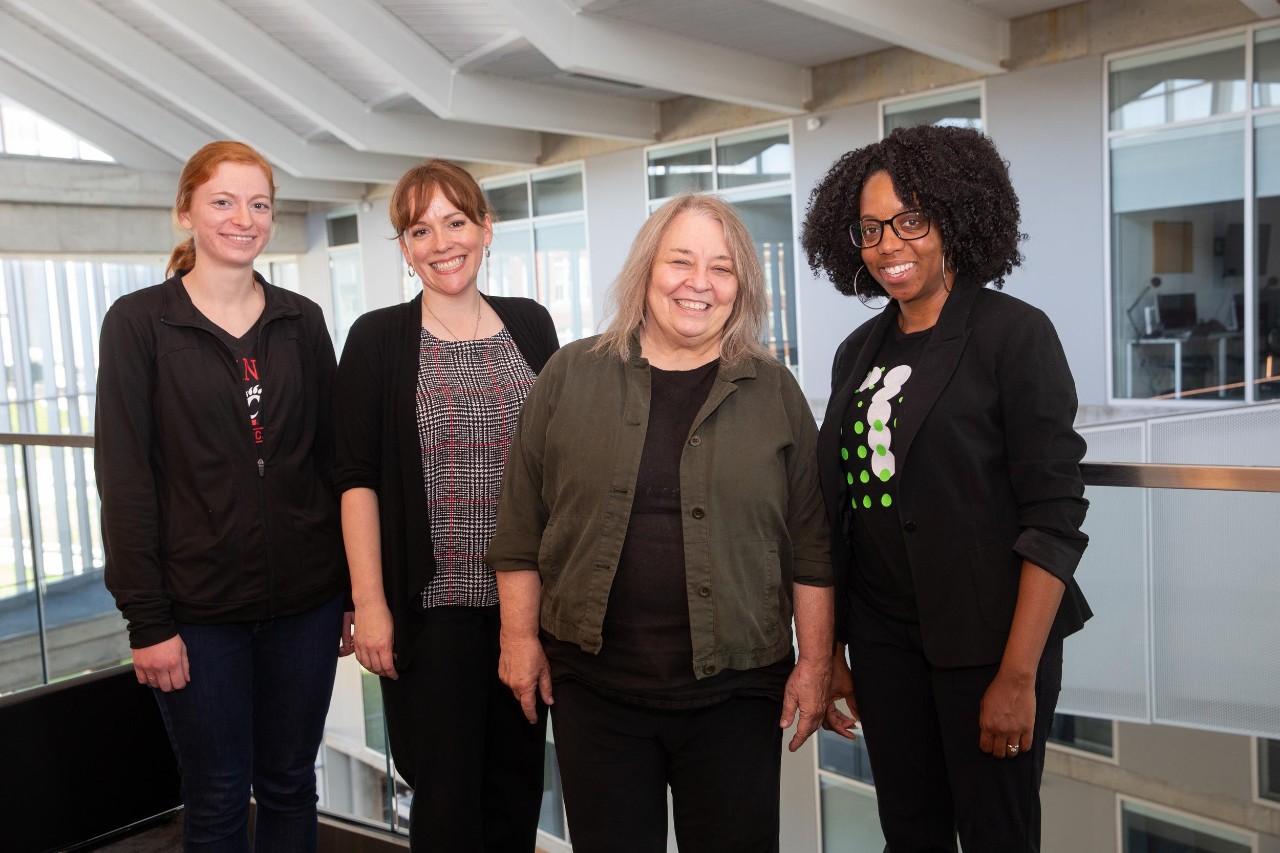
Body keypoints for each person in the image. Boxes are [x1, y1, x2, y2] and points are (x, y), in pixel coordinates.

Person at [488, 193, 833, 853]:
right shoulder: (569, 374)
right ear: (646, 270)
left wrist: (816, 661)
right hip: (597, 691)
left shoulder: (774, 389)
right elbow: (520, 522)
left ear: (741, 288)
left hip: (736, 695)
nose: (699, 283)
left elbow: (812, 544)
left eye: (722, 268)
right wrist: (517, 639)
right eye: (681, 261)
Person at [800, 124, 1091, 852]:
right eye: (871, 229)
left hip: (990, 646)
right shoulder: (855, 352)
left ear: (955, 220)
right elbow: (839, 512)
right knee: (909, 832)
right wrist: (833, 648)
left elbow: (1054, 516)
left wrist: (1017, 675)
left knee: (998, 835)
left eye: (911, 221)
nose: (890, 244)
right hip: (885, 645)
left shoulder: (1013, 335)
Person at [95, 140, 352, 851]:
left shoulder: (302, 321)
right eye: (223, 201)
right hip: (196, 613)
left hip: (306, 603)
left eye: (259, 203)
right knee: (213, 795)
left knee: (292, 781)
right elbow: (125, 480)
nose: (244, 218)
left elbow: (332, 462)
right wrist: (146, 620)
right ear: (186, 213)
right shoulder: (139, 323)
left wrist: (354, 592)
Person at [332, 159, 557, 851]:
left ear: (486, 229)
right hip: (433, 615)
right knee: (447, 802)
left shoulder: (531, 324)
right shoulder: (378, 339)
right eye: (420, 229)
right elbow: (356, 478)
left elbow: (561, 462)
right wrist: (368, 601)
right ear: (405, 248)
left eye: (456, 222)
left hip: (528, 607)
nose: (441, 242)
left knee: (516, 791)